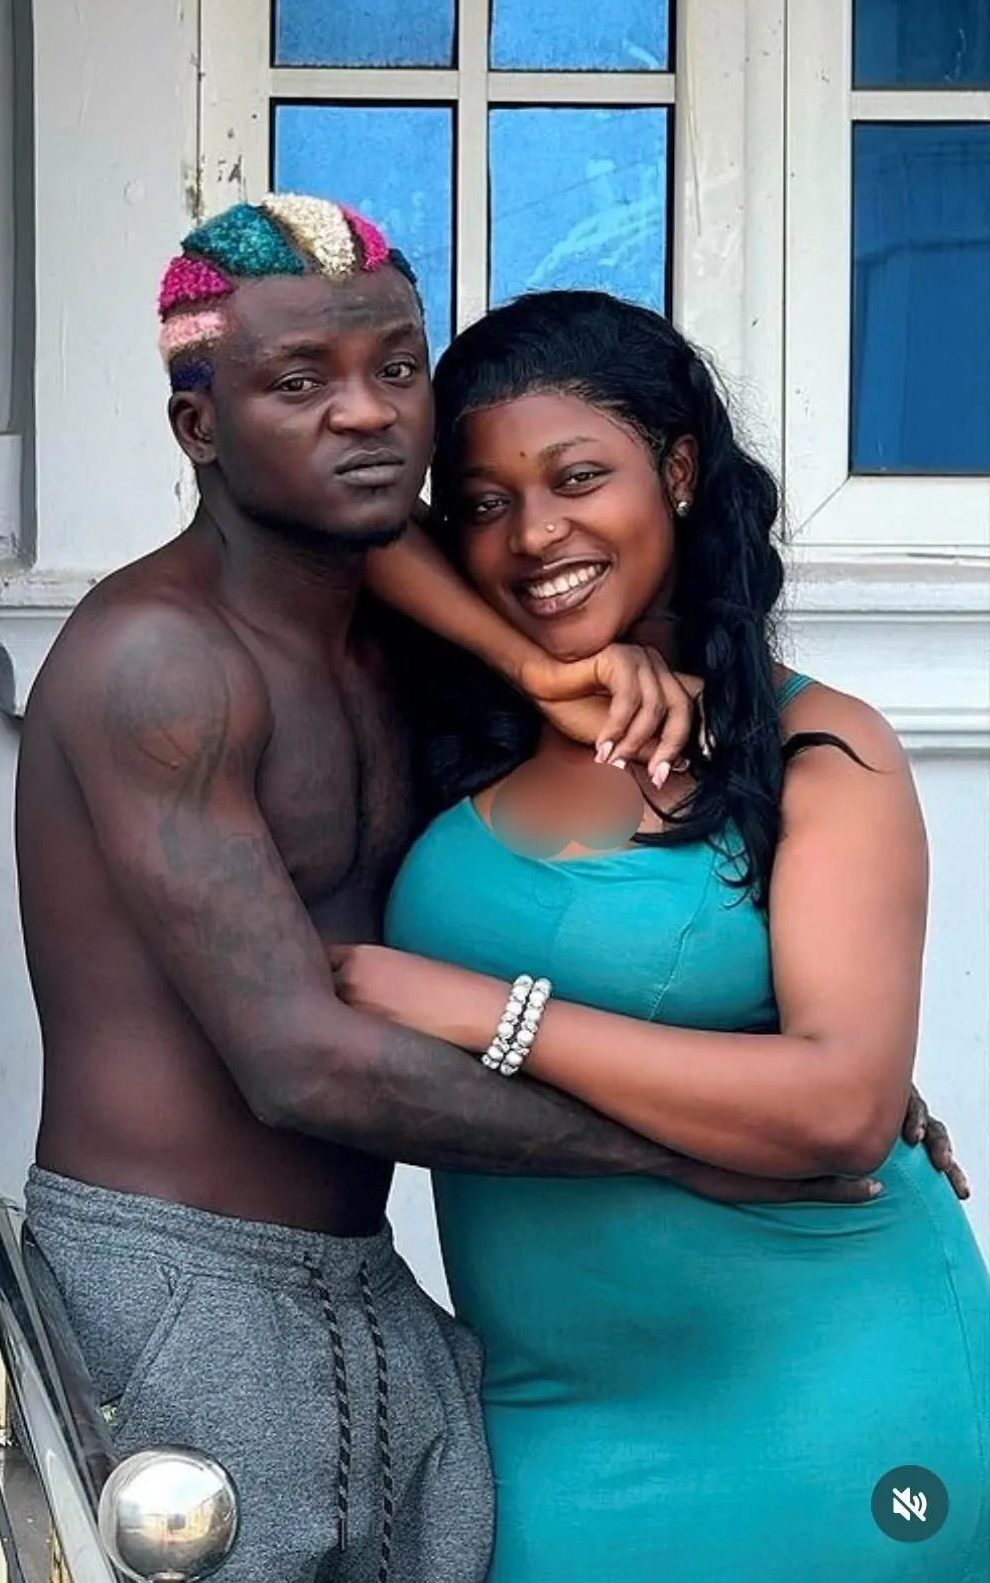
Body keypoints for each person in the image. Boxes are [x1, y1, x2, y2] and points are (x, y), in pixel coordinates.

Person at [16, 196, 960, 1583]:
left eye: (397, 369)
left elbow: (390, 528)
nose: (364, 415)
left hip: (430, 1314)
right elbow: (302, 1065)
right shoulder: (162, 661)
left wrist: (803, 1075)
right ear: (197, 426)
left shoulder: (424, 666)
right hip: (196, 1291)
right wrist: (700, 1148)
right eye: (299, 382)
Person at [331, 289, 989, 1582]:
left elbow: (841, 1109)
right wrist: (532, 668)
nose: (535, 534)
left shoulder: (814, 749)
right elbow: (327, 515)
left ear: (678, 472)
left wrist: (488, 1015)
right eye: (483, 502)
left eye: (581, 477)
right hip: (551, 1420)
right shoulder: (457, 729)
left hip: (829, 1399)